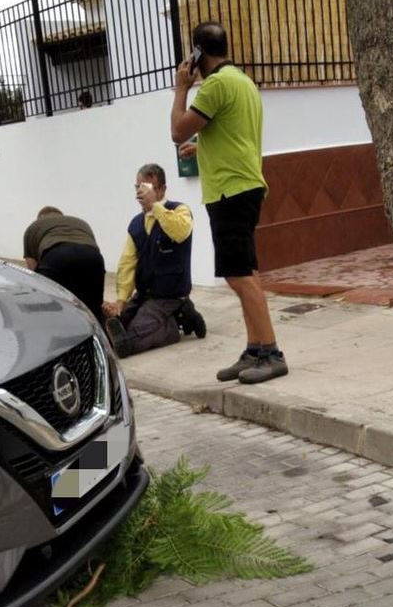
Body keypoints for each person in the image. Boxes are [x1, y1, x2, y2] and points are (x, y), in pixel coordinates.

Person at [170, 21, 287, 384]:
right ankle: (255, 349)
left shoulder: (216, 85)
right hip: (244, 184)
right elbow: (235, 134)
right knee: (245, 271)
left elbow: (177, 131)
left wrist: (180, 89)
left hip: (230, 190)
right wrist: (204, 146)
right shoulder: (243, 81)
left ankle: (271, 352)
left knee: (239, 276)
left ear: (198, 54)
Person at [103, 163, 206, 358]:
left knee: (132, 338)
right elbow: (128, 262)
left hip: (170, 293)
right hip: (145, 292)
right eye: (139, 188)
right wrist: (120, 301)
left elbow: (180, 232)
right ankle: (181, 316)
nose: (142, 193)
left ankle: (175, 325)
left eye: (148, 188)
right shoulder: (136, 223)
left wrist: (155, 206)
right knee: (118, 324)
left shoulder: (180, 210)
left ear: (162, 189)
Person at [23, 207, 106, 322]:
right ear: (61, 216)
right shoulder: (81, 223)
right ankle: (99, 335)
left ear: (40, 218)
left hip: (57, 256)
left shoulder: (34, 226)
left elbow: (32, 271)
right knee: (93, 310)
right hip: (94, 259)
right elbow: (91, 248)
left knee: (49, 306)